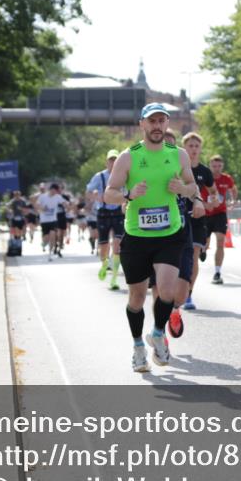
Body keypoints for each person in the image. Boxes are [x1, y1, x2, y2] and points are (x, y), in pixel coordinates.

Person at [104, 103, 198, 373]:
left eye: (161, 121)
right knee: (136, 297)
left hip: (170, 234)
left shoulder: (178, 155)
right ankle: (137, 347)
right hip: (137, 236)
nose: (157, 126)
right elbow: (109, 193)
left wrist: (183, 188)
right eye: (152, 121)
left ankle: (157, 334)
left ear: (167, 124)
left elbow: (193, 187)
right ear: (142, 125)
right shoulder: (128, 157)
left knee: (167, 291)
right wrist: (129, 194)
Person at [149, 129, 206, 339]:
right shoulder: (145, 165)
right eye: (165, 143)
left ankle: (175, 311)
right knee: (159, 287)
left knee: (180, 294)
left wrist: (196, 199)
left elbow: (194, 187)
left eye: (172, 144)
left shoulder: (181, 163)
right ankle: (159, 330)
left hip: (182, 232)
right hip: (154, 237)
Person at [181, 132, 216, 309]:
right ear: (184, 148)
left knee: (193, 256)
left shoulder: (205, 172)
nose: (193, 149)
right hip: (178, 218)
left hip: (197, 219)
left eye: (196, 146)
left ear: (200, 149)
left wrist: (211, 204)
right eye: (190, 146)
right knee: (180, 257)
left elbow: (214, 193)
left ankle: (188, 294)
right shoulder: (177, 168)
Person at [88, 151, 127, 290]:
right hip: (103, 212)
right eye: (111, 160)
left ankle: (114, 279)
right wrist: (95, 196)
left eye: (116, 160)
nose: (113, 163)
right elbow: (88, 191)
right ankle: (104, 263)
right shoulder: (99, 176)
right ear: (107, 162)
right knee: (103, 246)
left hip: (118, 212)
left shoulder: (124, 175)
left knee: (117, 245)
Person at [205, 154, 237, 284]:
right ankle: (202, 250)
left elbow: (233, 189)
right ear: (210, 166)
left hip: (220, 214)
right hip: (206, 214)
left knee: (220, 242)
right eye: (214, 166)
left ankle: (217, 272)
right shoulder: (205, 177)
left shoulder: (226, 179)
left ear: (222, 166)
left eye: (219, 166)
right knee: (205, 245)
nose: (216, 168)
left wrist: (233, 201)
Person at [36, 183, 68, 262]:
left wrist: (67, 205)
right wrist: (42, 208)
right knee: (46, 239)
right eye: (54, 190)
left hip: (53, 220)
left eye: (56, 191)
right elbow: (37, 205)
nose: (55, 192)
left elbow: (64, 203)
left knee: (53, 236)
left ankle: (50, 254)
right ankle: (44, 243)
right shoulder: (42, 196)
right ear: (50, 189)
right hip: (44, 220)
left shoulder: (58, 197)